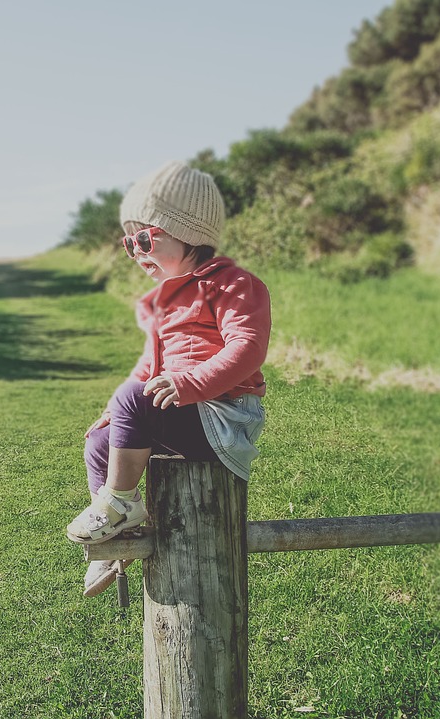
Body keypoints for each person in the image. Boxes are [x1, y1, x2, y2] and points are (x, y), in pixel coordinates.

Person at [65, 160, 271, 597]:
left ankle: (120, 503)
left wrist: (188, 383)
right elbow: (150, 365)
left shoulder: (232, 285)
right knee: (100, 442)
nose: (137, 252)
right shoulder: (166, 300)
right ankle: (114, 540)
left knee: (132, 400)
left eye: (145, 239)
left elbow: (247, 347)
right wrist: (114, 412)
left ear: (190, 232)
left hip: (223, 417)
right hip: (185, 412)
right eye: (128, 243)